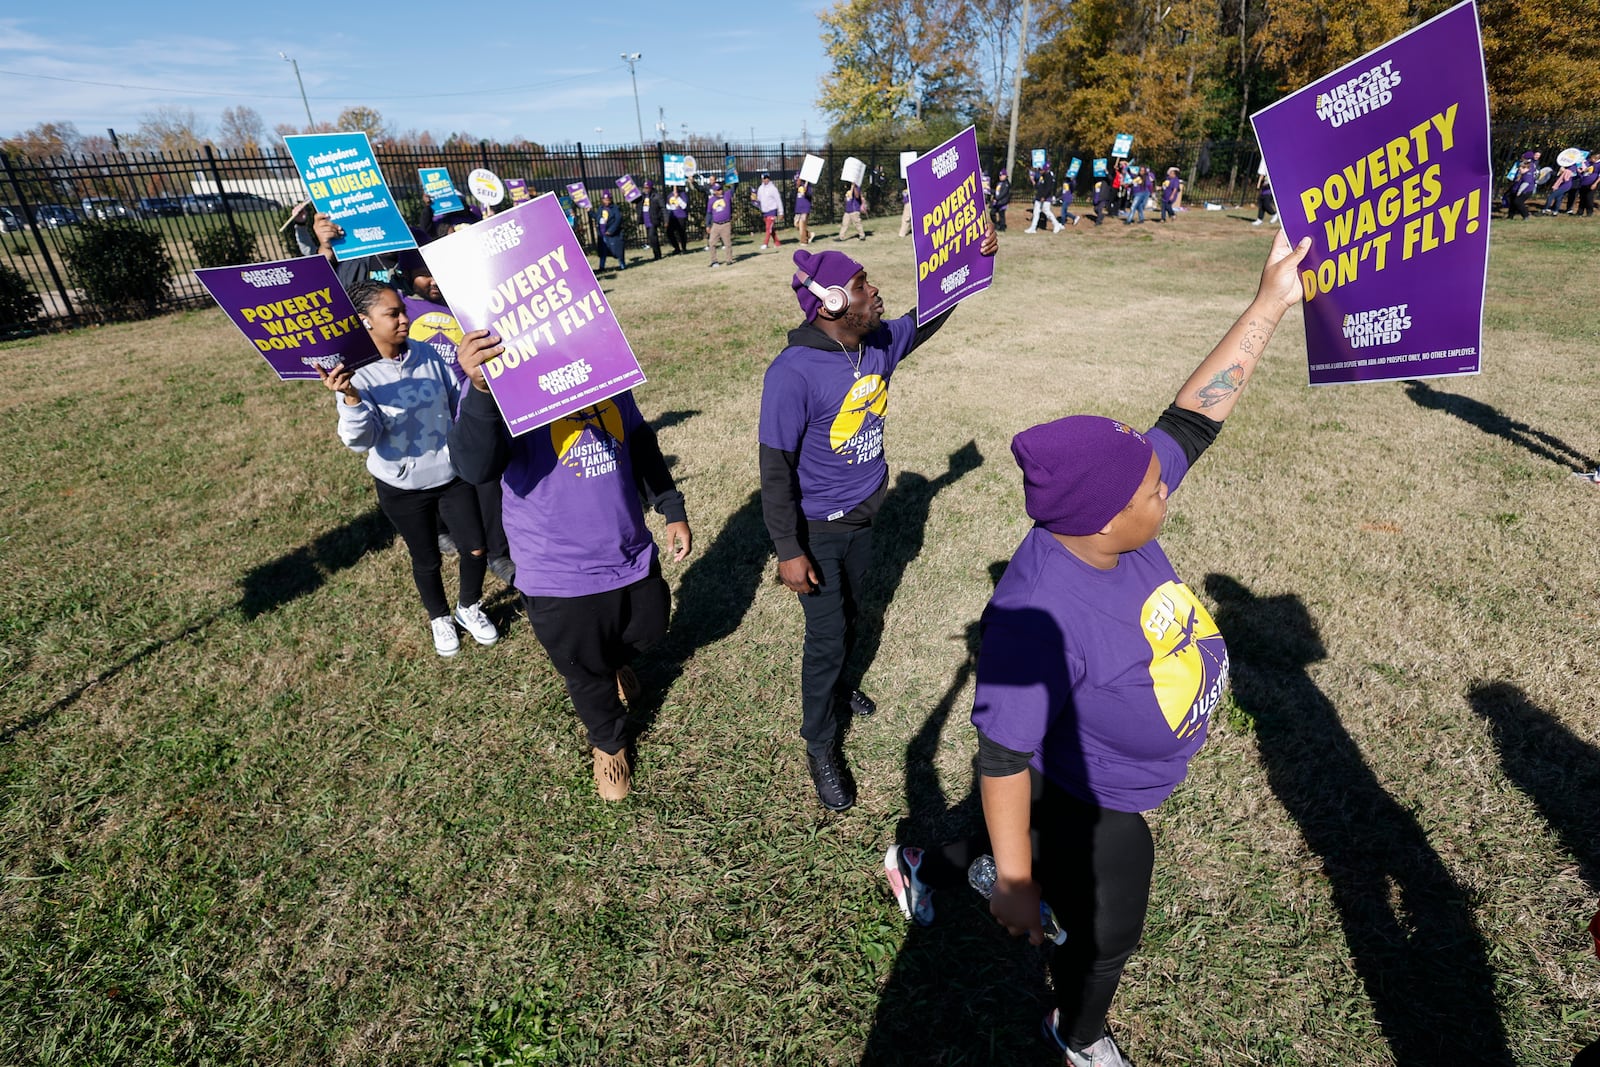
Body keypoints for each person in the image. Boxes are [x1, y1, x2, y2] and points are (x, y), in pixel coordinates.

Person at [881, 229, 1313, 1067]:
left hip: (1084, 773)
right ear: (1104, 517)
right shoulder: (1034, 610)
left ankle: (918, 863)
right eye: (1152, 486)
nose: (1166, 480)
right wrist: (1012, 884)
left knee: (1031, 843)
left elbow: (1194, 417)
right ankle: (1075, 1034)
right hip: (1095, 788)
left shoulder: (1107, 520)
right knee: (1111, 921)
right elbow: (1002, 753)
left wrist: (1269, 303)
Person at [759, 227, 1001, 810]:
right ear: (833, 302)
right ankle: (819, 742)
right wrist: (789, 550)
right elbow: (775, 470)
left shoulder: (873, 343)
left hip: (866, 518)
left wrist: (970, 260)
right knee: (826, 634)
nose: (876, 292)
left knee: (851, 612)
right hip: (817, 530)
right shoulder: (792, 373)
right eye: (863, 284)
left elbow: (928, 317)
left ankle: (841, 688)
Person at [448, 332, 694, 801]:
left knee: (646, 628)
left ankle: (615, 662)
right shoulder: (494, 379)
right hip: (557, 570)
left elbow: (638, 438)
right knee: (584, 669)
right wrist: (481, 390)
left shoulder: (598, 358)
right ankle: (609, 742)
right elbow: (475, 466)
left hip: (629, 552)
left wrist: (670, 504)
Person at [318, 281, 500, 658]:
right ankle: (439, 617)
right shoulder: (356, 375)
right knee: (426, 559)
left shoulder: (430, 355)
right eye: (393, 314)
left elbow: (457, 404)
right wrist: (351, 399)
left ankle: (469, 607)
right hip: (400, 486)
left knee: (476, 547)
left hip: (451, 475)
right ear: (364, 321)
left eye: (402, 310)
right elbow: (360, 440)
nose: (404, 319)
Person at [396, 249, 516, 587]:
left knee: (486, 477)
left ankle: (497, 550)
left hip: (475, 402)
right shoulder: (404, 310)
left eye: (435, 271)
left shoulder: (468, 303)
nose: (431, 280)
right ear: (407, 277)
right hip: (430, 407)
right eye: (421, 273)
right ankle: (441, 529)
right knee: (441, 477)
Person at [594, 190, 626, 272]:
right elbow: (597, 217)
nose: (606, 201)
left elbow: (618, 219)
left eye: (608, 199)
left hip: (612, 234)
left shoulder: (615, 208)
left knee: (617, 251)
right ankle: (601, 267)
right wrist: (590, 211)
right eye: (604, 199)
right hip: (602, 234)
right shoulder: (600, 208)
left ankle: (622, 265)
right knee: (603, 251)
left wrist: (611, 230)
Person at [1026, 164, 1064, 233]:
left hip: (1045, 198)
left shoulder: (1049, 176)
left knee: (1047, 212)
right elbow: (1039, 186)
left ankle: (1056, 224)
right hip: (1039, 197)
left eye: (1041, 169)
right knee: (1036, 212)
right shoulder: (1042, 176)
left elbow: (1049, 188)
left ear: (1045, 169)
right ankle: (1033, 228)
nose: (1039, 171)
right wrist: (1033, 182)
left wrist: (1044, 196)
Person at [706, 179, 735, 268]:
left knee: (727, 243)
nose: (720, 191)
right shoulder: (711, 200)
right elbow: (709, 213)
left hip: (726, 224)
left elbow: (734, 188)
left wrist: (735, 178)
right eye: (718, 190)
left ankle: (729, 260)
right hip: (716, 224)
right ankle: (714, 261)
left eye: (721, 189)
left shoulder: (727, 195)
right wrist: (708, 225)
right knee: (711, 242)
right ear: (714, 191)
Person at [756, 172, 785, 250]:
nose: (766, 180)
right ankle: (777, 242)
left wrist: (781, 212)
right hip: (764, 211)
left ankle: (765, 243)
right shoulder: (760, 188)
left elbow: (778, 200)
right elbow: (758, 199)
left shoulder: (773, 188)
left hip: (772, 210)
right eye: (764, 178)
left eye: (767, 178)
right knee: (770, 229)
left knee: (768, 228)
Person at [640, 179, 664, 260]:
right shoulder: (643, 196)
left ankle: (657, 255)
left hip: (653, 220)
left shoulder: (656, 196)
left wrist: (665, 219)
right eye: (644, 187)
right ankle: (656, 254)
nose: (645, 189)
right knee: (651, 238)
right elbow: (634, 200)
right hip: (646, 220)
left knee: (652, 236)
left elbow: (663, 208)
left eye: (647, 188)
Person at [664, 184, 690, 253]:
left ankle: (684, 248)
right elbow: (668, 207)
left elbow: (684, 206)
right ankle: (676, 248)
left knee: (681, 233)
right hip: (672, 217)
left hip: (681, 216)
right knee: (669, 232)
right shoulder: (669, 195)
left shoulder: (683, 194)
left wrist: (678, 197)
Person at [794, 177, 814, 245]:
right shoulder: (799, 187)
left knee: (802, 225)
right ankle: (809, 234)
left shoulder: (808, 186)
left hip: (805, 208)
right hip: (798, 209)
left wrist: (807, 191)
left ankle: (804, 241)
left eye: (798, 179)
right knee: (796, 224)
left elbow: (810, 194)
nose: (796, 181)